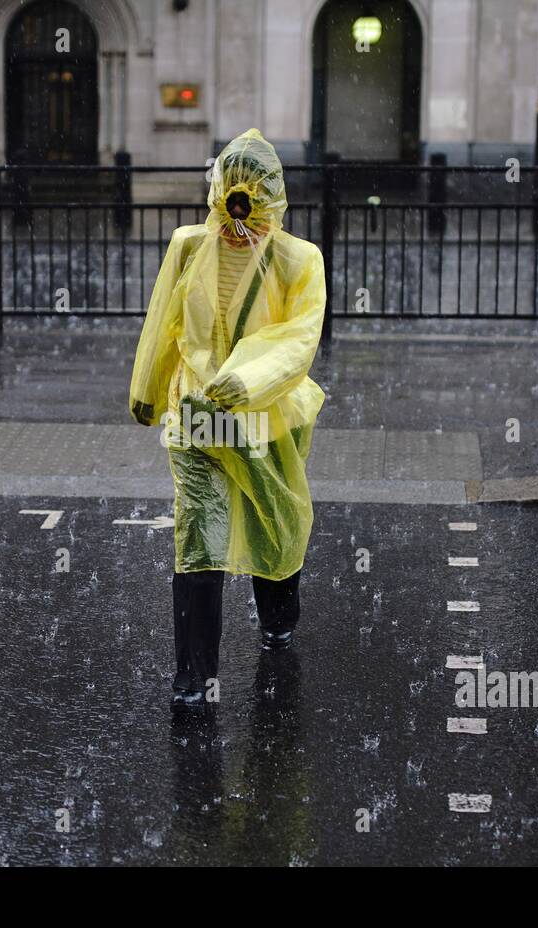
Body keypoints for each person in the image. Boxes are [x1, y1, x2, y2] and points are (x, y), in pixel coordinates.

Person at [128, 129, 327, 716]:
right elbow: (164, 317)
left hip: (266, 419)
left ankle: (278, 618)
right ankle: (193, 676)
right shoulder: (190, 246)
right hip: (195, 417)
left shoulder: (297, 259)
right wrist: (146, 388)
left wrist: (248, 380)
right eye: (231, 195)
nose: (238, 210)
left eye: (250, 196)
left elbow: (299, 340)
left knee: (275, 523)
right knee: (199, 537)